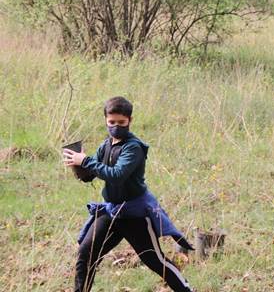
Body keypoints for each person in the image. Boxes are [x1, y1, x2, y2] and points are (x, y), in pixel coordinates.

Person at [63, 97, 194, 292]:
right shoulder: (105, 145)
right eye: (112, 122)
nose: (116, 126)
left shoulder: (134, 147)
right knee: (86, 254)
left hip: (135, 213)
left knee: (154, 261)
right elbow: (90, 176)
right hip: (111, 212)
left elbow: (117, 175)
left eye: (121, 123)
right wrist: (77, 164)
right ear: (106, 121)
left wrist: (86, 161)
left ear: (130, 121)